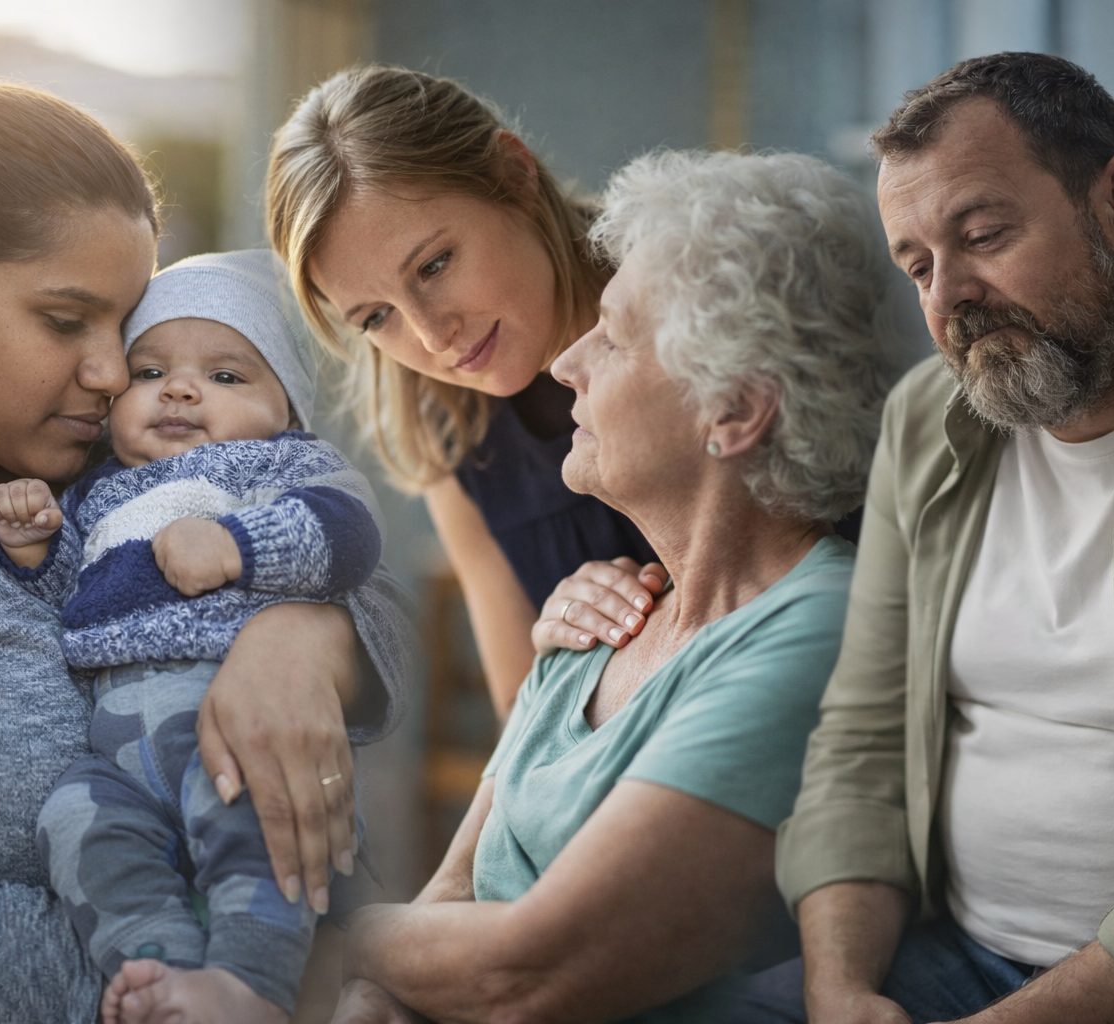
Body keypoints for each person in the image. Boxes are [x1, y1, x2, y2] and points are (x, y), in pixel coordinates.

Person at [0, 73, 410, 1024]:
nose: (108, 373)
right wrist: (278, 965)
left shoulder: (111, 461)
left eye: (124, 328)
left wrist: (301, 637)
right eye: (65, 321)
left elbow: (368, 585)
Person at [742, 53, 1114, 1024]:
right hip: (953, 954)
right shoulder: (924, 420)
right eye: (917, 267)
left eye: (981, 235)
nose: (948, 302)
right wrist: (843, 992)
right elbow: (862, 741)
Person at [328, 149, 898, 1024]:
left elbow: (523, 972)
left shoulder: (814, 630)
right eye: (374, 314)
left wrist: (335, 942)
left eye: (616, 335)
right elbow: (449, 900)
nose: (567, 366)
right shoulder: (590, 626)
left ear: (736, 410)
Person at [0, 250, 384, 1023]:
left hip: (231, 725)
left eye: (227, 377)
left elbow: (350, 534)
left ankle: (251, 982)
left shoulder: (280, 463)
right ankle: (161, 967)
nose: (181, 389)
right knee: (71, 821)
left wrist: (239, 544)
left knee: (260, 822)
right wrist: (33, 542)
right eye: (148, 371)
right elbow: (73, 585)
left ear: (288, 409)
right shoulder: (97, 491)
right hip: (116, 756)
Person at [265, 65, 663, 715]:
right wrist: (557, 637)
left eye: (434, 264)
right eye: (375, 317)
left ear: (513, 173)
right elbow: (519, 713)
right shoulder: (448, 434)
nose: (431, 334)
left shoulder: (694, 299)